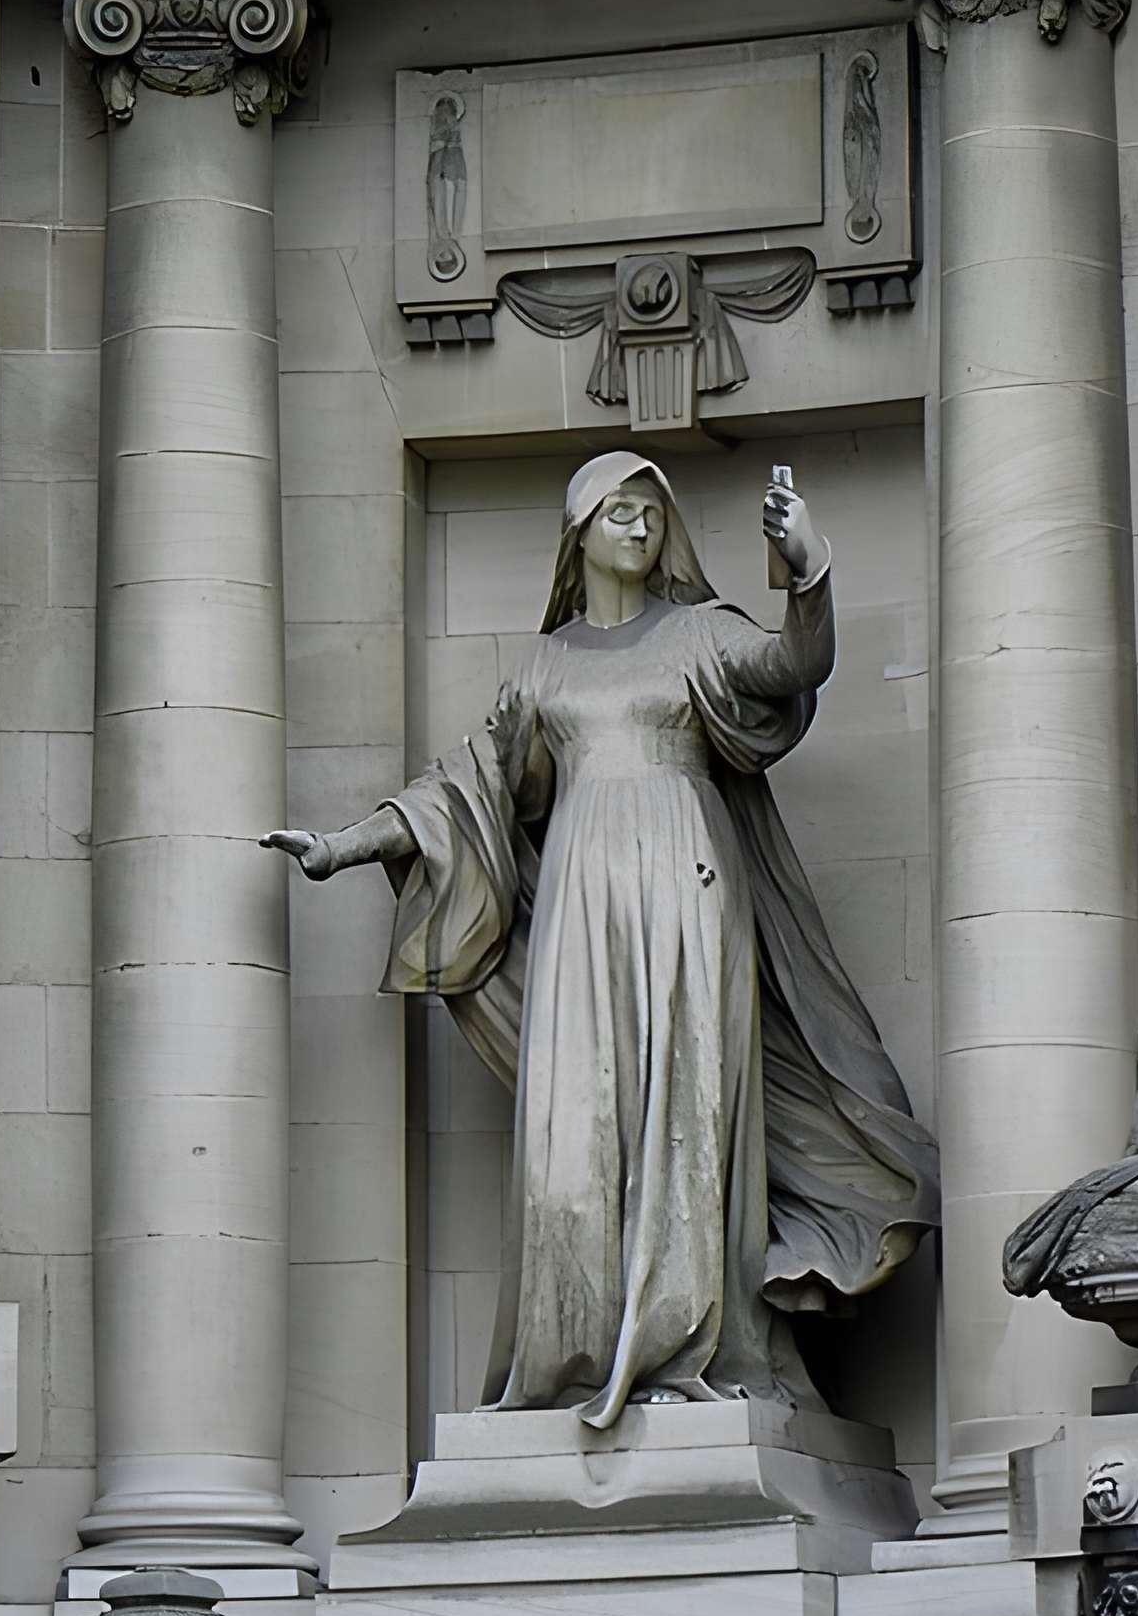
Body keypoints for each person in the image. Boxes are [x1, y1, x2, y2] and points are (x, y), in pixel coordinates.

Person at [263, 452, 936, 1429]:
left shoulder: (701, 633)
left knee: (686, 1113)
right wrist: (342, 846)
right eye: (618, 511)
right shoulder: (544, 664)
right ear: (578, 533)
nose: (639, 527)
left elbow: (794, 667)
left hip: (686, 890)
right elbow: (466, 791)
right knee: (569, 1131)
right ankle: (577, 1353)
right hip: (581, 903)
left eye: (651, 512)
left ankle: (690, 1341)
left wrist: (807, 570)